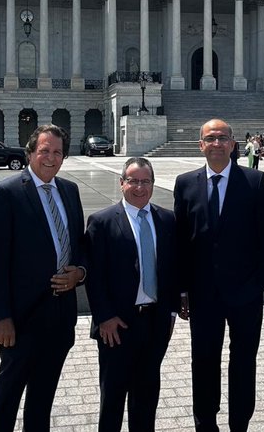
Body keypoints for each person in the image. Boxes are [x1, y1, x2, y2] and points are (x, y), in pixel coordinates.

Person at [174, 119, 264, 432]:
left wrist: (261, 280)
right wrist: (182, 289)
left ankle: (239, 422)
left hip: (245, 292)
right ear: (201, 145)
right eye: (210, 138)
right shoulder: (185, 182)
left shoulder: (254, 180)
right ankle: (205, 422)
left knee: (244, 361)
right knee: (203, 361)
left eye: (223, 138)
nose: (217, 143)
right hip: (202, 292)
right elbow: (181, 238)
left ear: (234, 145)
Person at [0, 124, 87, 432]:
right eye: (44, 151)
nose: (51, 158)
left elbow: (79, 246)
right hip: (21, 317)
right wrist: (1, 316)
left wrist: (79, 273)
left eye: (57, 152)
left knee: (43, 398)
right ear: (30, 153)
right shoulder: (7, 192)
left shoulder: (70, 190)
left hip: (59, 315)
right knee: (9, 394)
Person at [85, 157, 178, 432]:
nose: (140, 187)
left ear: (153, 183)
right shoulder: (102, 221)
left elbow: (172, 268)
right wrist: (104, 317)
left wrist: (171, 311)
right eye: (133, 181)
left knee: (147, 397)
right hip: (117, 325)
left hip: (155, 322)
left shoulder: (166, 219)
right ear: (122, 183)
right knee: (113, 398)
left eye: (145, 181)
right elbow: (95, 276)